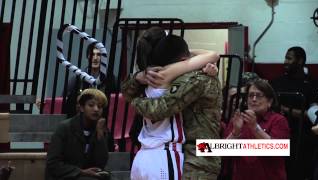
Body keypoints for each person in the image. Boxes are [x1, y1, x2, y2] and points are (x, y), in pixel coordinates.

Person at [122, 30, 222, 179]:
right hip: (189, 148)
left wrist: (134, 99)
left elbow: (160, 108)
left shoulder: (195, 78)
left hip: (200, 149)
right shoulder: (177, 76)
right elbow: (213, 54)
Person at [223, 79, 289, 180]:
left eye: (258, 95)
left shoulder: (278, 120)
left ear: (269, 102)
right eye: (250, 95)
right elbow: (222, 151)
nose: (253, 99)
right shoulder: (237, 120)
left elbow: (278, 149)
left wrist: (255, 127)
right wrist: (235, 132)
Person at [271, 46, 318, 179]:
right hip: (278, 134)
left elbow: (314, 114)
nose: (285, 61)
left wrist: (286, 110)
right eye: (285, 58)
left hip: (302, 137)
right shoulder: (277, 82)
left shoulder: (312, 83)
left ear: (300, 61)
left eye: (289, 58)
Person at [46, 88, 110, 180]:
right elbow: (53, 163)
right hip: (64, 176)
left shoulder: (100, 128)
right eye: (91, 105)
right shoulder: (65, 128)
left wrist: (100, 136)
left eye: (100, 107)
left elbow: (101, 163)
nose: (96, 109)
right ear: (82, 108)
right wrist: (81, 172)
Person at [65, 43, 116, 118]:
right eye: (92, 54)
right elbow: (63, 101)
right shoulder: (77, 79)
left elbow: (118, 102)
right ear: (88, 57)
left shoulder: (111, 79)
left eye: (98, 55)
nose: (95, 58)